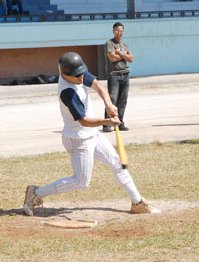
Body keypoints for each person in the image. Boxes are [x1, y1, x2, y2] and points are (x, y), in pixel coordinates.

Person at [22, 52, 160, 217]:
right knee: (81, 182)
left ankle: (137, 203)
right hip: (78, 139)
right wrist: (108, 121)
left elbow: (96, 84)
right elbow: (84, 121)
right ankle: (36, 192)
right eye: (77, 76)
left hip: (92, 134)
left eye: (82, 73)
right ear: (64, 75)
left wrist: (108, 104)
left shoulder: (76, 72)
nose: (82, 78)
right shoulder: (68, 92)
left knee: (117, 164)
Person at [102, 22, 133, 133]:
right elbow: (112, 58)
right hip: (114, 74)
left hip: (125, 74)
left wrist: (120, 53)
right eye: (116, 31)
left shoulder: (124, 45)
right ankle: (107, 123)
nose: (118, 33)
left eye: (120, 31)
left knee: (123, 100)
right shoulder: (109, 43)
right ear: (113, 31)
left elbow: (131, 59)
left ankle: (120, 122)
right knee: (112, 99)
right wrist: (123, 55)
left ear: (123, 32)